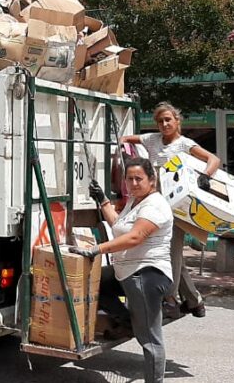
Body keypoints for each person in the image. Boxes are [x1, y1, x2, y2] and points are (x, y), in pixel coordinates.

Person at [74, 157, 173, 383]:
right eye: (130, 179)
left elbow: (134, 237)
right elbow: (119, 225)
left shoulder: (154, 205)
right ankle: (128, 322)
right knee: (95, 283)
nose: (134, 183)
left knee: (150, 338)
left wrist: (97, 249)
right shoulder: (135, 202)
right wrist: (103, 200)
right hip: (126, 272)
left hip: (147, 274)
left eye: (139, 178)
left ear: (152, 180)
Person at [121, 102, 220, 319]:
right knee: (174, 255)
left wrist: (206, 176)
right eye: (160, 121)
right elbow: (126, 139)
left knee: (171, 253)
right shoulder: (152, 139)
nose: (164, 124)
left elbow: (213, 159)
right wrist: (123, 151)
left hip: (177, 209)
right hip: (155, 206)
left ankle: (171, 299)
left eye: (168, 120)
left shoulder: (184, 144)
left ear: (177, 121)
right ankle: (194, 301)